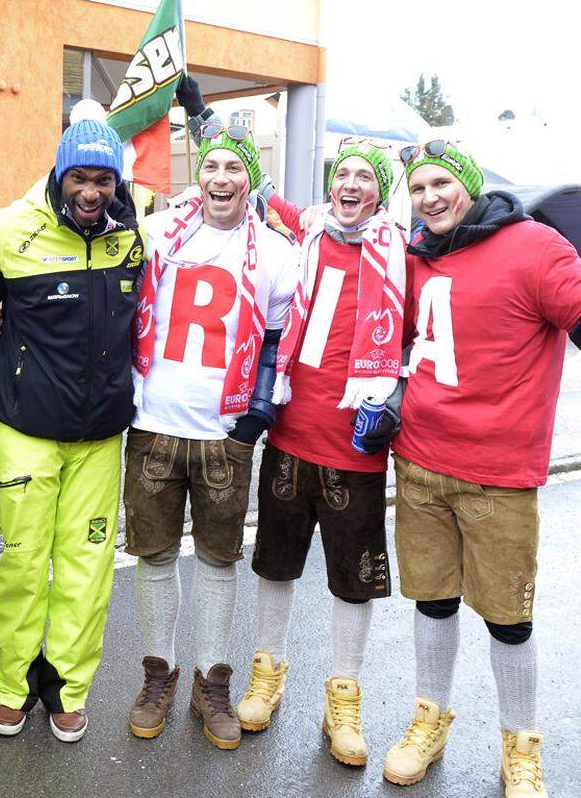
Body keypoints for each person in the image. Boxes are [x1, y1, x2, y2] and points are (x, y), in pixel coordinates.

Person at [380, 141, 581, 798]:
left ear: (467, 184)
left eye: (441, 183)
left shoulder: (535, 247)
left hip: (498, 474)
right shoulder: (417, 256)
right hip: (419, 461)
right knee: (432, 603)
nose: (430, 197)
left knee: (507, 617)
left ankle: (520, 746)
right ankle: (429, 721)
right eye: (418, 188)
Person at [232, 139, 411, 767]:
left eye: (366, 176)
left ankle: (343, 698)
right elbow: (256, 189)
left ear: (381, 192)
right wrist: (205, 124)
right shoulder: (305, 233)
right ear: (331, 185)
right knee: (275, 564)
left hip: (356, 451)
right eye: (344, 175)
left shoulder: (402, 257)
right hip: (289, 436)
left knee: (351, 583)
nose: (352, 184)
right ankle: (268, 674)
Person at [125, 118, 297, 750]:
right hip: (153, 427)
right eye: (212, 167)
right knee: (155, 556)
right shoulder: (161, 233)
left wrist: (251, 424)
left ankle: (212, 681)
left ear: (250, 180)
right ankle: (158, 675)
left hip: (223, 432)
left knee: (219, 559)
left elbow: (278, 346)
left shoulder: (277, 253)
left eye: (234, 169)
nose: (221, 178)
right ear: (198, 174)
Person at [0, 100, 144, 743]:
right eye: (79, 177)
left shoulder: (133, 234)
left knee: (87, 568)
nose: (90, 191)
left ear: (118, 184)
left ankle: (68, 689)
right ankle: (9, 685)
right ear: (58, 174)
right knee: (24, 564)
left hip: (102, 435)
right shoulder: (8, 231)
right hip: (26, 429)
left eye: (103, 180)